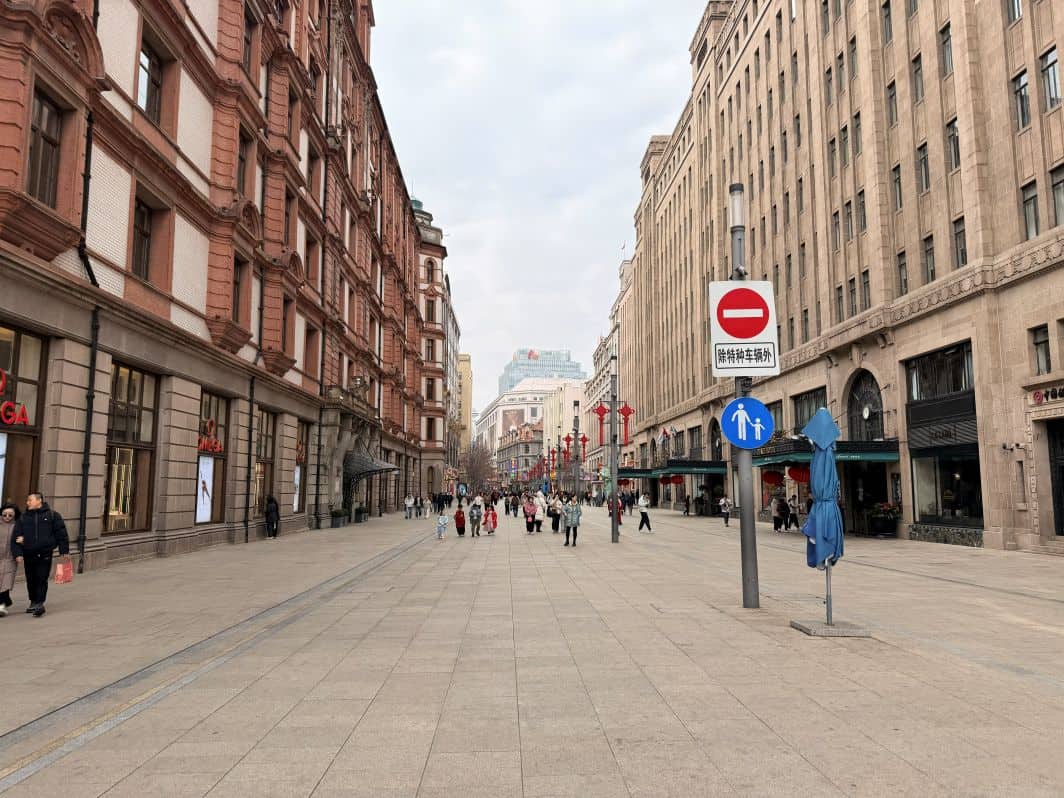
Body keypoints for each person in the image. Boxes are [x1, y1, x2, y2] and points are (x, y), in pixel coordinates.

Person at [11, 493, 70, 618]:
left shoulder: (53, 515)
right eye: (27, 500)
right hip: (29, 554)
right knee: (31, 578)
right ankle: (33, 601)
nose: (27, 502)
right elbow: (15, 537)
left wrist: (64, 550)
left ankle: (39, 603)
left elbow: (61, 534)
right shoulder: (23, 518)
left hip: (45, 553)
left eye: (30, 500)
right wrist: (18, 553)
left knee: (42, 578)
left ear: (39, 500)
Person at [0, 502, 19, 616]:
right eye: (4, 515)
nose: (7, 517)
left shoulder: (18, 525)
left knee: (5, 582)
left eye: (10, 515)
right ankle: (6, 600)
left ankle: (1, 605)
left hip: (10, 558)